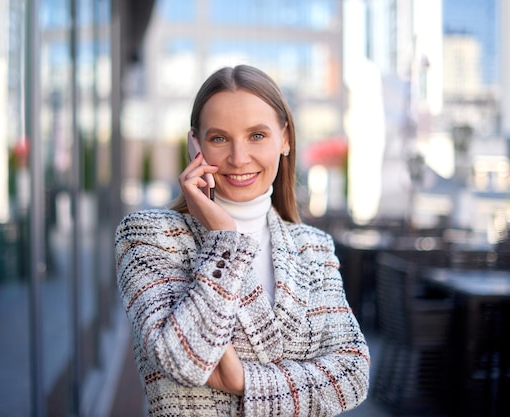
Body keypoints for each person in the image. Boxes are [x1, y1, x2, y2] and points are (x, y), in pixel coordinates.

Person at [115, 65, 370, 416]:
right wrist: (224, 238)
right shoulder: (149, 236)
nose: (238, 158)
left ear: (285, 138)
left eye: (257, 135)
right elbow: (181, 359)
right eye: (219, 138)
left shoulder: (313, 246)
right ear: (195, 145)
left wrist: (245, 382)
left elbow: (353, 373)